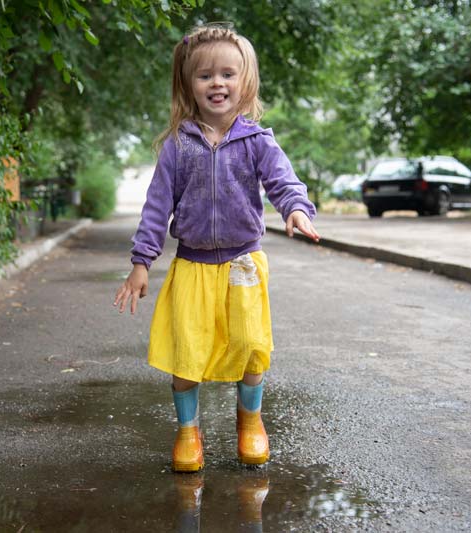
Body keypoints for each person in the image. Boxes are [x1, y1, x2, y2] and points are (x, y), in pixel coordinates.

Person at [113, 24, 320, 472]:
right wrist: (141, 261)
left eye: (228, 74)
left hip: (244, 264)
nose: (217, 83)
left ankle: (250, 422)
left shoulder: (257, 140)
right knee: (187, 354)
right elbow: (156, 206)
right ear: (188, 83)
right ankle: (188, 432)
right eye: (205, 75)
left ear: (245, 81)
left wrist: (296, 209)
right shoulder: (177, 145)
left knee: (249, 346)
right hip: (192, 266)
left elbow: (284, 182)